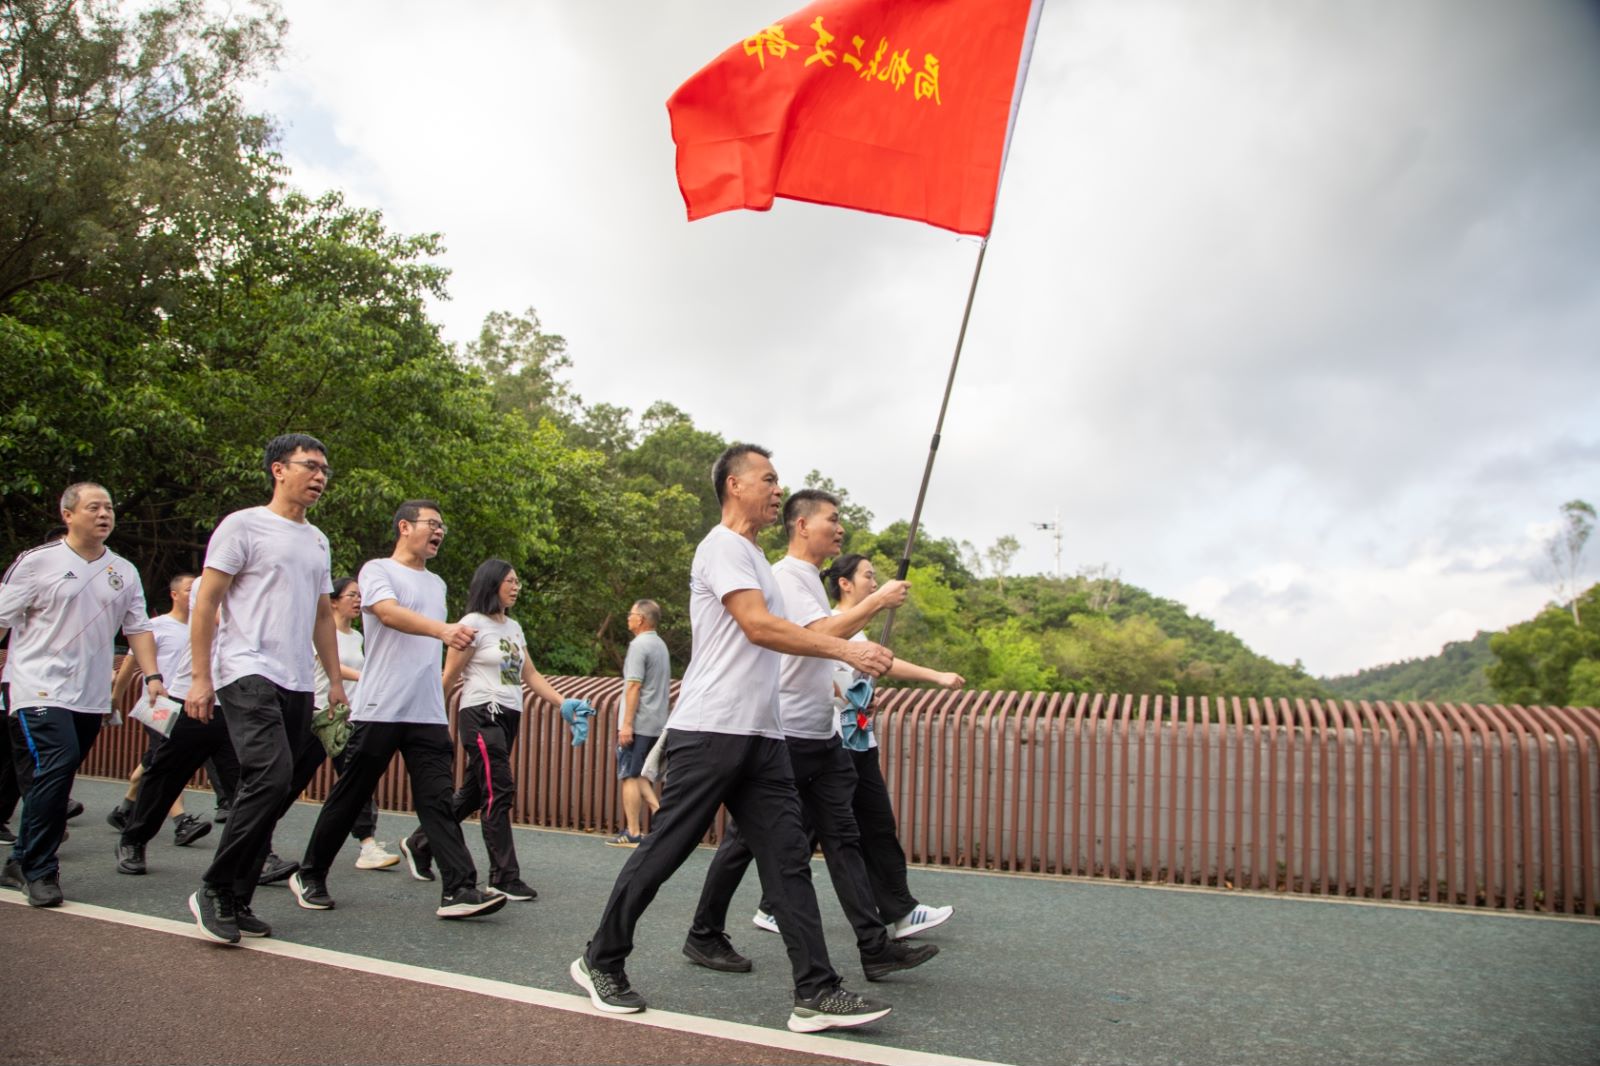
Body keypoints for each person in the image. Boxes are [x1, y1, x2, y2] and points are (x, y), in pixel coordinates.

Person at [570, 444, 899, 1035]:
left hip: (763, 735)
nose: (778, 489)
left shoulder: (755, 559)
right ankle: (601, 959)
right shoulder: (721, 546)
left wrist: (836, 664)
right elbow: (758, 626)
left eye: (778, 481)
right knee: (665, 850)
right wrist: (846, 649)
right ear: (733, 486)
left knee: (789, 861)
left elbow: (790, 635)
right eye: (767, 479)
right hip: (710, 728)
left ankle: (816, 991)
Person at [681, 490, 938, 984]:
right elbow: (821, 634)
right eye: (832, 520)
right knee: (744, 842)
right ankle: (705, 931)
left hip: (822, 733)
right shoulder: (784, 575)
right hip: (787, 734)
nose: (840, 529)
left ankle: (874, 947)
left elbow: (819, 652)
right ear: (802, 526)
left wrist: (845, 690)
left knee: (844, 838)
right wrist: (877, 601)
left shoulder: (809, 581)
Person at [289, 502, 505, 920]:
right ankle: (310, 873)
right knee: (351, 795)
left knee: (438, 801)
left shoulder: (437, 584)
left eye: (442, 526)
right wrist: (444, 630)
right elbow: (388, 614)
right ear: (405, 527)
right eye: (432, 524)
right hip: (380, 707)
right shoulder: (377, 570)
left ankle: (459, 889)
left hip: (426, 711)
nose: (439, 531)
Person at [185, 433, 348, 944]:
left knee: (276, 788)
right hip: (246, 669)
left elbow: (322, 616)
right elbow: (206, 603)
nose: (320, 476)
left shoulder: (317, 540)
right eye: (310, 466)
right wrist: (200, 676)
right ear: (279, 469)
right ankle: (214, 888)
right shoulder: (243, 525)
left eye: (324, 470)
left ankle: (238, 897)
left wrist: (334, 680)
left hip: (297, 680)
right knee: (270, 778)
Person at [750, 552, 962, 940]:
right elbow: (823, 672)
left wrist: (861, 695)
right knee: (844, 827)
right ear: (845, 583)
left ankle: (895, 910)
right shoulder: (830, 625)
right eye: (868, 576)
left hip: (857, 741)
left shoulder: (855, 629)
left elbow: (874, 667)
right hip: (835, 741)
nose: (874, 582)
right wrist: (933, 676)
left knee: (856, 826)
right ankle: (779, 907)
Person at [0, 482, 168, 907]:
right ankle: (40, 869)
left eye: (108, 507)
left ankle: (20, 860)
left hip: (90, 695)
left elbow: (138, 628)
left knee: (54, 777)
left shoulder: (123, 571)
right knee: (57, 765)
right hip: (37, 685)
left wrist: (152, 676)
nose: (104, 514)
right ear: (68, 514)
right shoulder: (37, 562)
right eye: (94, 507)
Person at [405, 558, 570, 902]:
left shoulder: (514, 627)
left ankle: (420, 842)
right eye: (510, 581)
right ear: (492, 583)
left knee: (474, 792)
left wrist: (563, 703)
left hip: (509, 716)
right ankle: (503, 876)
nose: (516, 587)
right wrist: (429, 719)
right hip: (482, 714)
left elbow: (530, 675)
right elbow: (449, 676)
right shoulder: (471, 624)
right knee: (499, 788)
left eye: (517, 581)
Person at [114, 573, 243, 877]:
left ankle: (258, 855)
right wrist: (118, 696)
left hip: (235, 701)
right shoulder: (206, 585)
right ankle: (133, 839)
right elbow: (227, 621)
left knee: (244, 783)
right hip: (184, 698)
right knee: (164, 772)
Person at [107, 573, 212, 847]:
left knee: (154, 761)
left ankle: (125, 809)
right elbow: (129, 665)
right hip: (160, 705)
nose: (195, 593)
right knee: (167, 762)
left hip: (188, 704)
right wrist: (115, 699)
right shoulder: (156, 626)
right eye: (189, 589)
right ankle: (181, 822)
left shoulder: (206, 624)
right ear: (174, 594)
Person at [313, 576, 399, 872]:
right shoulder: (322, 631)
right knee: (288, 780)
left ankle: (367, 845)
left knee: (356, 779)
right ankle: (260, 839)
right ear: (333, 602)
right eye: (351, 595)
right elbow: (330, 665)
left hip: (347, 717)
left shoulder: (358, 637)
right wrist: (366, 677)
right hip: (319, 714)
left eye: (360, 596)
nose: (358, 601)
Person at [608, 599, 669, 847]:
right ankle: (662, 816)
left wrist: (626, 724)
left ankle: (633, 831)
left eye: (631, 614)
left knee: (629, 776)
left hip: (639, 721)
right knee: (642, 773)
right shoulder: (660, 645)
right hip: (657, 721)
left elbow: (633, 685)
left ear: (641, 619)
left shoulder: (639, 645)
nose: (628, 618)